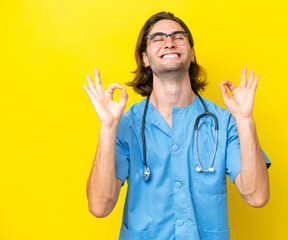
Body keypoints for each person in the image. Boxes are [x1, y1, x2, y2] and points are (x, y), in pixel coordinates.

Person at [84, 11, 271, 240]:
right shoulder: (126, 125)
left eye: (178, 36)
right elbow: (100, 207)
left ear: (192, 54)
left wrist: (245, 120)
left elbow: (257, 196)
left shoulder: (225, 123)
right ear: (145, 58)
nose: (169, 42)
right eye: (158, 38)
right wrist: (107, 128)